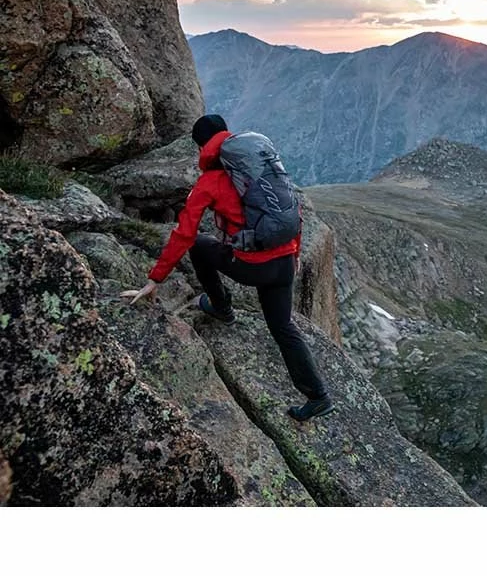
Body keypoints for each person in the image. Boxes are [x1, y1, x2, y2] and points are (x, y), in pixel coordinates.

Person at [122, 113, 334, 421]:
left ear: (201, 147)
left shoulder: (210, 181)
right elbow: (290, 208)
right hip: (285, 263)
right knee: (282, 327)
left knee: (199, 245)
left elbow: (184, 234)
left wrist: (155, 279)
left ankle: (221, 307)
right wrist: (296, 252)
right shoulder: (262, 168)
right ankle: (318, 396)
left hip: (253, 267)